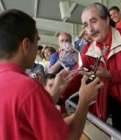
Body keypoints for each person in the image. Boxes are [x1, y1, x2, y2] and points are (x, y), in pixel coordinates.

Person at [0, 9, 104, 140]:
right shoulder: (27, 88)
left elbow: (31, 117)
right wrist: (84, 101)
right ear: (26, 45)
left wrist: (56, 90)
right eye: (37, 42)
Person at [60, 3, 121, 139]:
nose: (90, 29)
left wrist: (109, 74)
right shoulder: (89, 50)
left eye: (93, 21)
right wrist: (57, 93)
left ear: (107, 20)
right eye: (85, 25)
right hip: (112, 104)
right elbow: (79, 73)